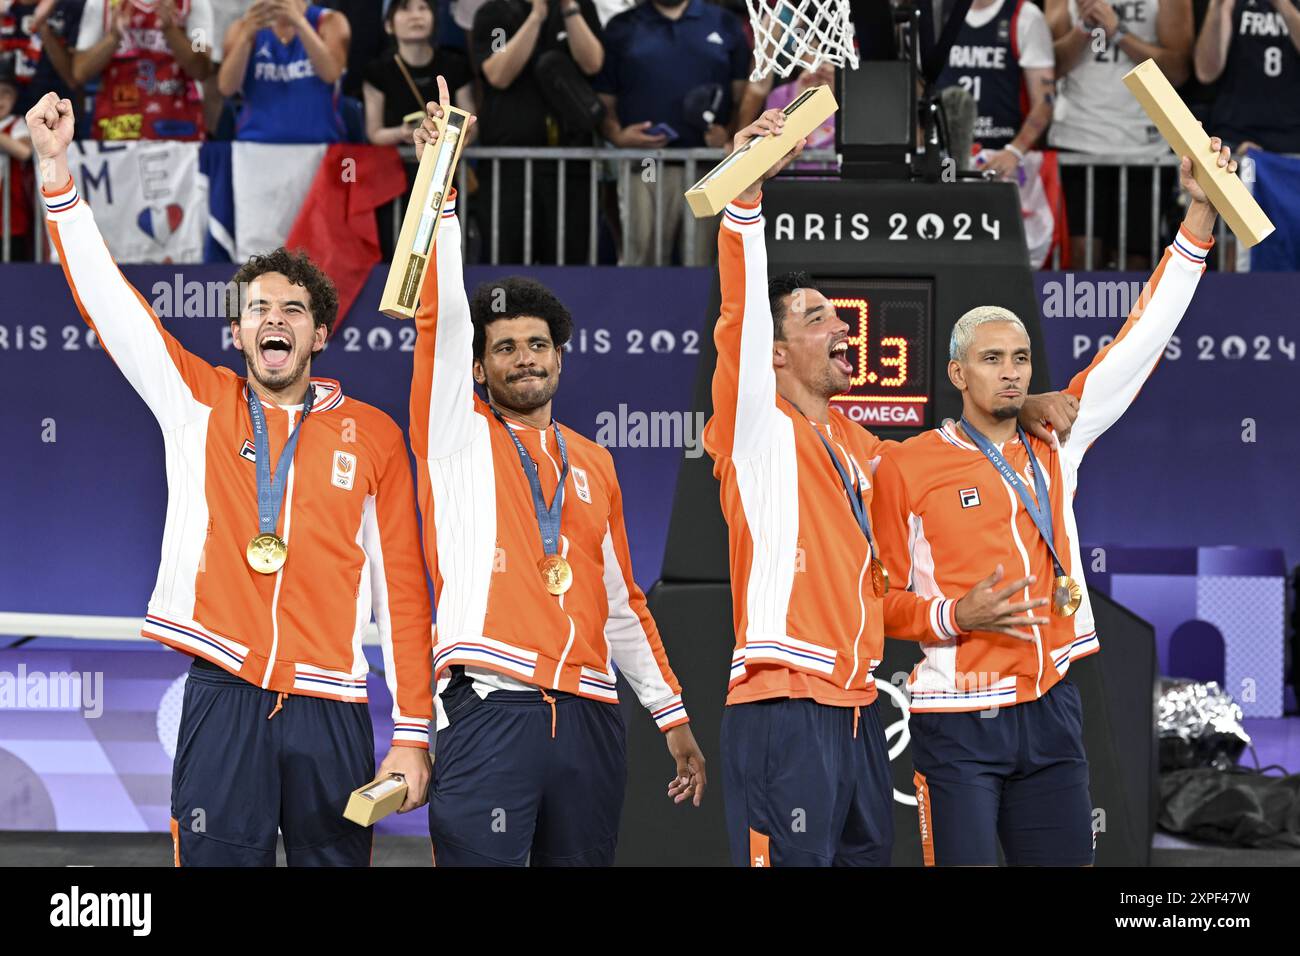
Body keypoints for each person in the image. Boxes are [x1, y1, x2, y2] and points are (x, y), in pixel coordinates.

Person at [27, 90, 434, 866]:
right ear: (239, 330)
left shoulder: (374, 434)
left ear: (319, 330)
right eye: (257, 308)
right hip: (222, 692)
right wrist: (57, 174)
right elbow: (113, 307)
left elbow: (406, 595)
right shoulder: (199, 402)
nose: (273, 317)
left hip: (334, 707)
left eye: (291, 307)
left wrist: (413, 733)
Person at [703, 108, 1080, 868]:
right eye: (816, 318)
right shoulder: (755, 428)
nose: (840, 325)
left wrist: (1019, 401)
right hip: (783, 700)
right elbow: (739, 319)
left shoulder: (859, 446)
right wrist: (745, 201)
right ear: (776, 355)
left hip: (854, 708)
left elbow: (948, 458)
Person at [871, 137, 1235, 867]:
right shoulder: (905, 467)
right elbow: (876, 599)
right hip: (957, 717)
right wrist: (950, 616)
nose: (1010, 374)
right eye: (991, 360)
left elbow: (1140, 341)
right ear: (956, 373)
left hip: (1052, 710)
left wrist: (1200, 214)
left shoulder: (1056, 436)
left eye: (1020, 360)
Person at [408, 80, 706, 867]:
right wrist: (439, 185)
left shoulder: (593, 461)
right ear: (479, 369)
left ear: (560, 357)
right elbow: (439, 326)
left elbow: (619, 604)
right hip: (493, 706)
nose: (524, 358)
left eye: (536, 344)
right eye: (504, 348)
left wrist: (671, 718)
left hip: (591, 715)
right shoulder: (456, 435)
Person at [594, 0, 749, 265]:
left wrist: (730, 133)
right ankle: (639, 307)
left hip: (708, 168)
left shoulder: (724, 23)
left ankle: (701, 309)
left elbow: (743, 95)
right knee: (641, 259)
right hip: (645, 163)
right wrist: (617, 135)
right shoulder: (622, 28)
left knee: (703, 263)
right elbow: (604, 100)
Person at [1047, 0, 1194, 269]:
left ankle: (1137, 314)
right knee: (1081, 258)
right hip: (1078, 136)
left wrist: (1118, 32)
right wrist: (1083, 26)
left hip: (1143, 144)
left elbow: (1178, 70)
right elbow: (1050, 66)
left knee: (1136, 263)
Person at [470, 0, 604, 264]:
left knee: (571, 263)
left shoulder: (579, 7)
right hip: (509, 169)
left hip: (571, 166)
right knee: (508, 264)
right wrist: (536, 16)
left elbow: (593, 63)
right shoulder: (494, 12)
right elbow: (498, 75)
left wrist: (569, 9)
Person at [936, 0, 1056, 180]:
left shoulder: (1025, 16)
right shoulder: (935, 12)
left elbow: (1045, 101)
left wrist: (1015, 151)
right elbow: (916, 84)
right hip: (944, 159)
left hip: (1003, 160)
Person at [73, 0, 212, 140]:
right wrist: (113, 37)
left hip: (179, 132)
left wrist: (170, 30)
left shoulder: (193, 4)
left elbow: (202, 69)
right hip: (117, 130)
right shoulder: (102, 4)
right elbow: (80, 71)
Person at [219, 0, 350, 143]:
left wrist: (300, 23)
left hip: (321, 146)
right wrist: (245, 37)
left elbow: (331, 73)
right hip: (256, 146)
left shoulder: (330, 21)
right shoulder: (241, 28)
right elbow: (227, 88)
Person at [1194, 0, 1300, 155]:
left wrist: (1282, 4)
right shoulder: (1232, 5)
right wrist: (1218, 7)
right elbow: (1206, 72)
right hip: (1235, 134)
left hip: (1293, 139)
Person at [363, 0, 472, 147]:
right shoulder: (377, 71)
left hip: (444, 163)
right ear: (389, 25)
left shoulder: (456, 65)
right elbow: (374, 132)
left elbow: (471, 125)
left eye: (423, 7)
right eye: (405, 8)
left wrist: (448, 138)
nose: (416, 16)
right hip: (395, 165)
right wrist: (401, 133)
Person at [0, 63, 32, 257]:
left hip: (10, 223)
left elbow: (24, 151)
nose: (0, 98)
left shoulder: (17, 124)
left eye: (6, 93)